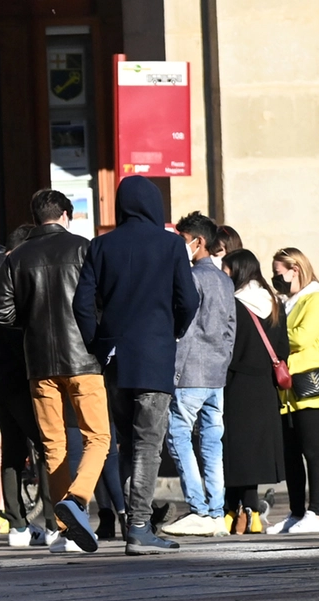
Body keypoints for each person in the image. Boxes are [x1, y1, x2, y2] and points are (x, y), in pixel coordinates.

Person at [73, 176, 200, 555]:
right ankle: (140, 528)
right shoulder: (171, 244)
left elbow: (81, 304)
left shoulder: (101, 245)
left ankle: (133, 519)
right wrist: (171, 331)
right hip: (154, 354)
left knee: (126, 442)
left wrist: (98, 343)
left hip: (114, 358)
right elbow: (189, 300)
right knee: (149, 443)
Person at [0, 189, 109, 554]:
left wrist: (33, 326)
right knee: (99, 438)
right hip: (84, 359)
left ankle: (65, 531)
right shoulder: (83, 248)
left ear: (35, 216)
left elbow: (2, 314)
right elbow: (102, 299)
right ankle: (76, 500)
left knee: (52, 445)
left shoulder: (17, 257)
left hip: (39, 363)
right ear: (65, 214)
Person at [0, 227, 57, 546]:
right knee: (47, 445)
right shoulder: (14, 271)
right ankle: (53, 522)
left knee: (14, 450)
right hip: (22, 370)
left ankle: (17, 524)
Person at [162, 212, 236, 538]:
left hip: (191, 371)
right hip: (216, 373)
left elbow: (184, 329)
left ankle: (199, 508)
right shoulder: (224, 279)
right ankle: (217, 512)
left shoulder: (192, 277)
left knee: (178, 435)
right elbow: (230, 329)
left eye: (183, 240)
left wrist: (174, 370)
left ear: (198, 242)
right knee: (211, 442)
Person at [221, 250, 288, 533]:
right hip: (265, 386)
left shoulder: (235, 305)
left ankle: (238, 510)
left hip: (238, 385)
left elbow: (228, 347)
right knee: (253, 451)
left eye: (226, 270)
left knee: (236, 451)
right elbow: (283, 349)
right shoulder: (273, 303)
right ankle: (249, 512)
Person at [268, 247, 319, 534]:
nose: (275, 279)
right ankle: (296, 512)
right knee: (290, 454)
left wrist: (276, 337)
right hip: (286, 389)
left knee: (312, 450)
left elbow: (303, 337)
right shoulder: (285, 303)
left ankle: (315, 513)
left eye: (279, 273)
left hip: (309, 386)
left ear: (295, 270)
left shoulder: (316, 299)